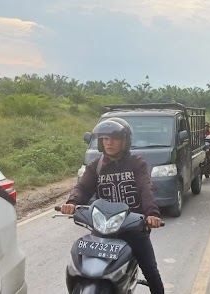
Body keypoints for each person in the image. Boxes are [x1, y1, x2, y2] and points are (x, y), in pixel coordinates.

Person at [60, 117, 165, 294]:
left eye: (114, 138)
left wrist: (151, 214)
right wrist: (72, 202)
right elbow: (83, 187)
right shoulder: (96, 166)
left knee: (151, 271)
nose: (109, 143)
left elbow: (145, 189)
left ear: (125, 141)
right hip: (103, 228)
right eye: (105, 139)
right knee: (81, 266)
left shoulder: (136, 163)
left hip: (133, 228)